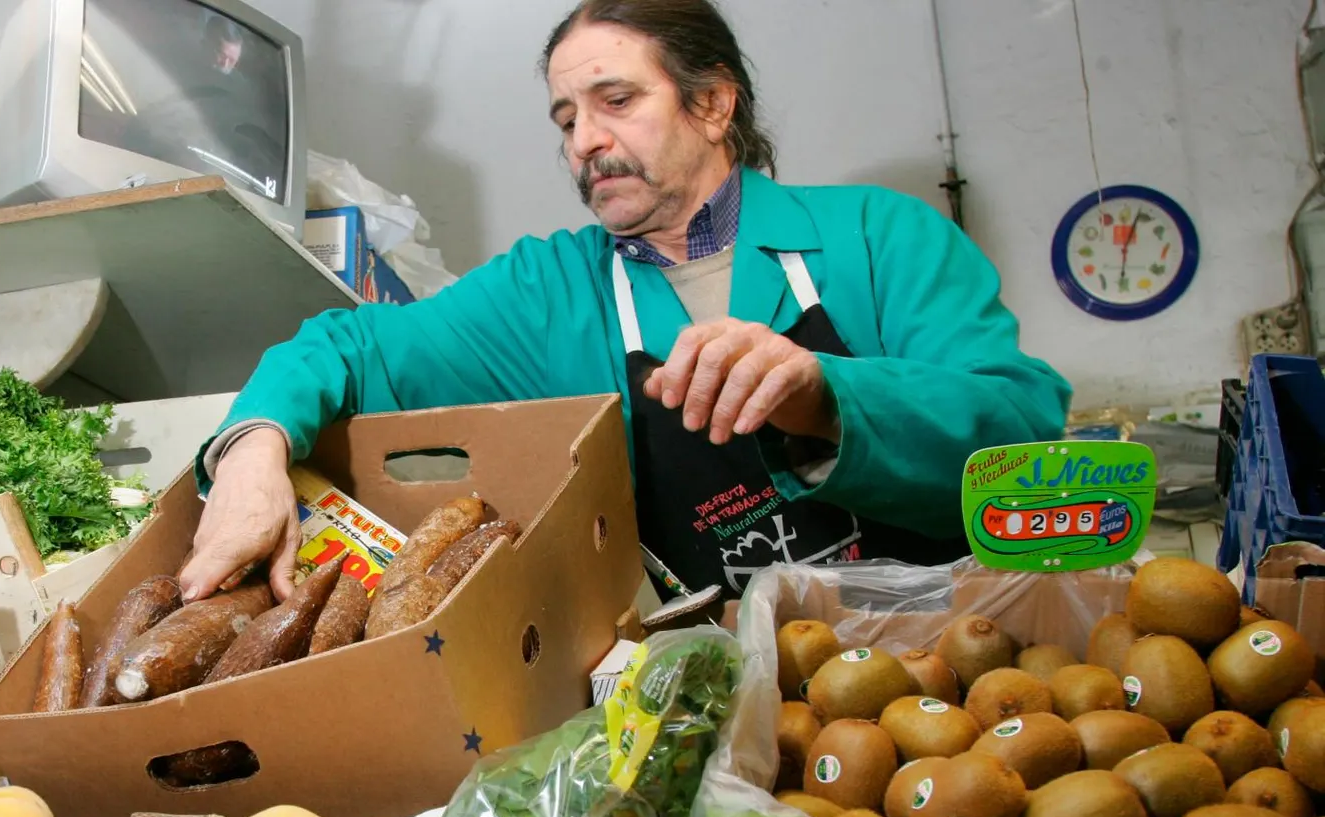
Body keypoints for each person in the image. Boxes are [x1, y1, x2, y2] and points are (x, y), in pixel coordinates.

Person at [177, 0, 1071, 605]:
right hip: (737, 698)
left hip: (949, 658)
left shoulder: (884, 238)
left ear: (713, 103)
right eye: (567, 118)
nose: (587, 142)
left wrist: (826, 398)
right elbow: (347, 348)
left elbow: (1026, 436)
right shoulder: (549, 291)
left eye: (617, 101)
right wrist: (254, 450)